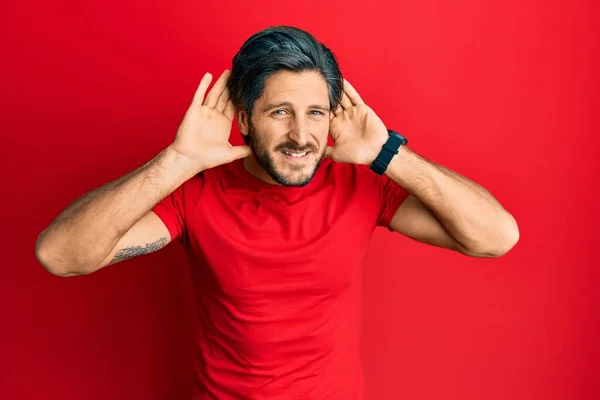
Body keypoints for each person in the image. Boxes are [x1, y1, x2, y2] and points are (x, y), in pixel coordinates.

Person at [35, 26, 519, 399]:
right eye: (279, 111)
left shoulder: (361, 185)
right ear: (244, 120)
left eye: (315, 112)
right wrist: (176, 162)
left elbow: (495, 238)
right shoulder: (195, 192)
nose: (301, 135)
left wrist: (389, 153)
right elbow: (60, 255)